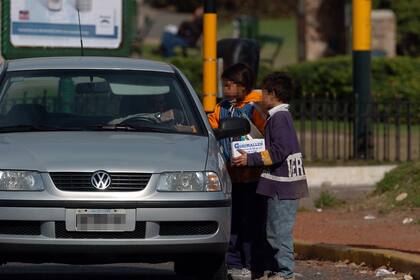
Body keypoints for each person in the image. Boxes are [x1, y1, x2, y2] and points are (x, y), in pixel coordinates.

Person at [232, 72, 309, 280]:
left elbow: (278, 151)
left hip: (284, 186)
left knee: (278, 233)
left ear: (273, 94)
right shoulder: (277, 117)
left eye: (264, 93)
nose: (260, 97)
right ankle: (278, 270)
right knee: (273, 230)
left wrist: (251, 159)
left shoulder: (279, 118)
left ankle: (285, 273)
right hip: (280, 185)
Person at [207, 62, 266, 279]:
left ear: (243, 86)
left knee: (251, 224)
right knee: (232, 223)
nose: (226, 90)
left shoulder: (254, 108)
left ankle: (252, 264)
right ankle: (233, 263)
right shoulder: (221, 108)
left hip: (252, 177)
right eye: (224, 85)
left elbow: (267, 133)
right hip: (229, 177)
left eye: (230, 85)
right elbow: (211, 127)